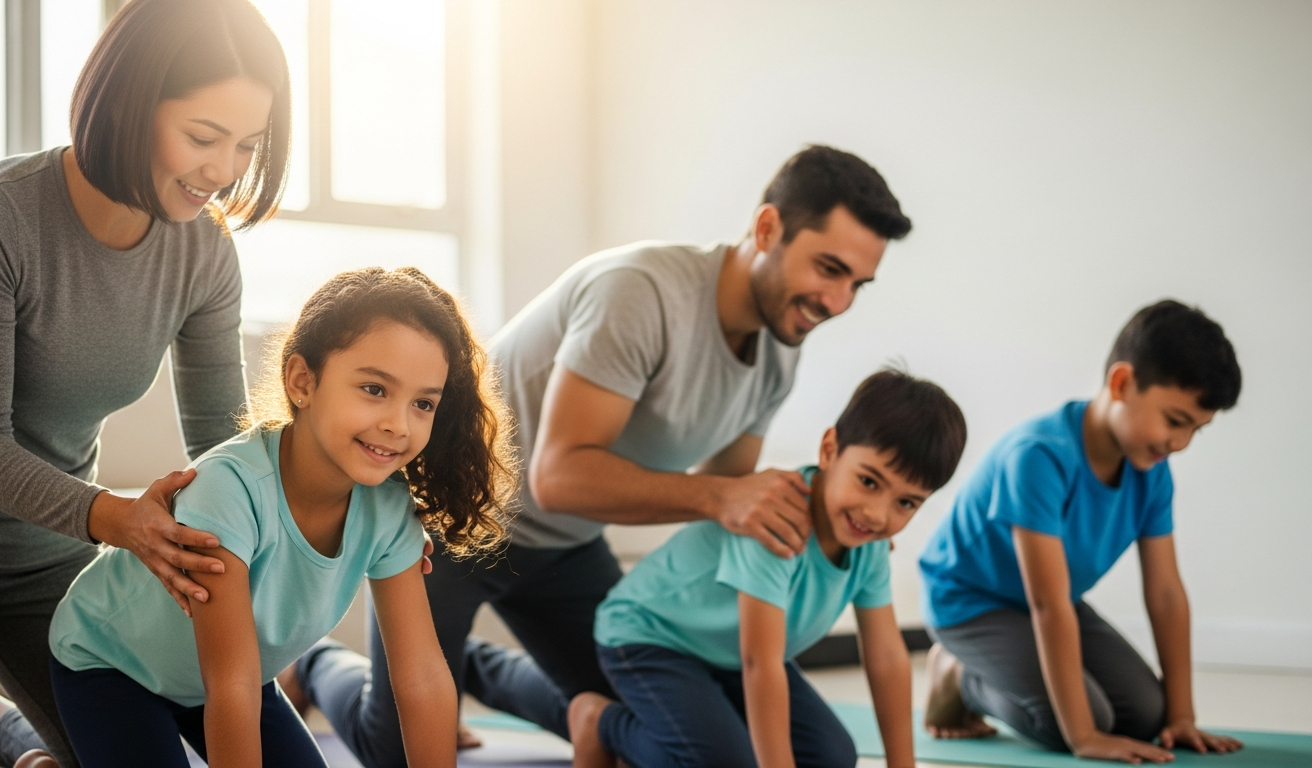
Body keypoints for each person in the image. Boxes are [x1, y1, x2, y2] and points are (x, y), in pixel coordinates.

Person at [283, 145, 913, 765]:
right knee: (394, 752)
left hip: (563, 546)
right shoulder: (640, 293)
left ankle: (466, 666)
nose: (838, 302)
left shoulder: (780, 349)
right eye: (828, 269)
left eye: (857, 283)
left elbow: (729, 495)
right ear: (768, 227)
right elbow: (558, 477)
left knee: (652, 723)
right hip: (449, 526)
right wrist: (725, 498)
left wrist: (837, 521)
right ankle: (319, 664)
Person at [0, 1, 291, 765]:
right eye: (202, 137)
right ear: (126, 106)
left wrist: (323, 518)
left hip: (44, 553)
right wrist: (121, 519)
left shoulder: (204, 256)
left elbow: (222, 437)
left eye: (246, 145)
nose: (223, 171)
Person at [41, 267, 514, 767]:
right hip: (113, 665)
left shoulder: (391, 507)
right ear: (302, 381)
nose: (398, 424)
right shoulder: (229, 489)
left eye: (423, 403)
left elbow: (421, 674)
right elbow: (231, 686)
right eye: (375, 389)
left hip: (237, 678)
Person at [569, 368, 967, 768]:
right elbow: (761, 665)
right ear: (830, 450)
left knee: (833, 758)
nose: (877, 514)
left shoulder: (870, 542)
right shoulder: (777, 520)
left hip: (726, 654)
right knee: (726, 764)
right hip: (650, 636)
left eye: (906, 503)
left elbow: (886, 656)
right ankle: (600, 722)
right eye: (868, 481)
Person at [918, 300, 1246, 764]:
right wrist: (1084, 737)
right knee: (1077, 721)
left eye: (1195, 429)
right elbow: (1047, 605)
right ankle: (960, 676)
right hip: (970, 603)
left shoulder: (1151, 470)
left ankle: (1011, 681)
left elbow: (1167, 592)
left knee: (1147, 714)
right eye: (1175, 421)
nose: (1180, 444)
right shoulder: (1038, 457)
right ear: (1121, 383)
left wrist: (1182, 716)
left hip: (1051, 601)